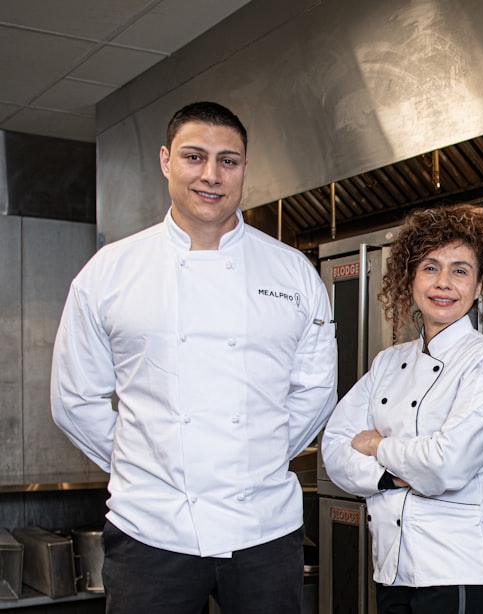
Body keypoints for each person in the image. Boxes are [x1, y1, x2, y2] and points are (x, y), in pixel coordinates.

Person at [50, 101, 338, 614]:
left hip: (264, 531)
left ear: (245, 169)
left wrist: (255, 457)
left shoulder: (293, 274)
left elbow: (314, 392)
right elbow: (75, 400)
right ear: (166, 161)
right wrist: (150, 463)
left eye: (228, 160)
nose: (211, 175)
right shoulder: (110, 272)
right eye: (194, 156)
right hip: (149, 531)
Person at [322, 204, 483, 614]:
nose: (443, 283)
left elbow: (446, 465)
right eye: (430, 268)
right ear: (410, 278)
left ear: (481, 284)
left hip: (459, 571)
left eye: (460, 270)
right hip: (392, 568)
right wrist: (396, 479)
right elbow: (335, 451)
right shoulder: (387, 363)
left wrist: (378, 446)